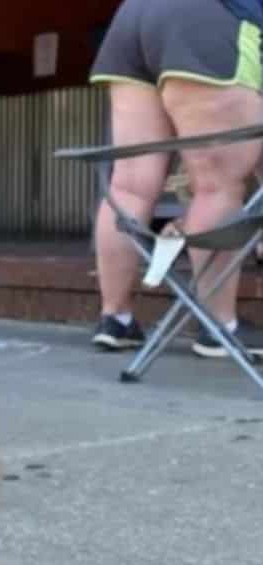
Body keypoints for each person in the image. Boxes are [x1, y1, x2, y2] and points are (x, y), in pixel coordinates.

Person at [90, 0, 263, 356]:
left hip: (135, 16)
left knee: (129, 184)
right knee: (217, 185)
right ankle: (220, 326)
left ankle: (115, 318)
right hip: (212, 16)